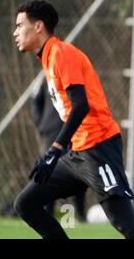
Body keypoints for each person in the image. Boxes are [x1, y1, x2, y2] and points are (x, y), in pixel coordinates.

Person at [13, 0, 134, 239]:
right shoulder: (47, 58)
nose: (15, 32)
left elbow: (81, 105)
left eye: (19, 25)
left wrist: (54, 150)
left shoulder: (60, 53)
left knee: (124, 222)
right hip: (78, 153)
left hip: (99, 148)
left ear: (38, 27)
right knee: (26, 204)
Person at [31, 77, 86, 222]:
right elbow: (36, 101)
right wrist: (42, 125)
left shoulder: (76, 75)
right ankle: (48, 212)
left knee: (78, 171)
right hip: (51, 133)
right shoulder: (46, 76)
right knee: (49, 171)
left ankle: (80, 215)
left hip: (74, 132)